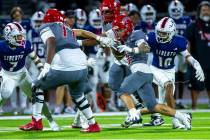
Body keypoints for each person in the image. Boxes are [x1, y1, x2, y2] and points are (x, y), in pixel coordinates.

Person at [19, 9, 114, 132]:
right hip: (83, 65)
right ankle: (93, 124)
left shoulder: (47, 27)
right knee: (79, 96)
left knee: (36, 86)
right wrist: (99, 38)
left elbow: (51, 42)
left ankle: (36, 121)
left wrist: (47, 65)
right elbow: (83, 33)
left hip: (66, 66)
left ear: (47, 19)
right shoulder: (68, 29)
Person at [111, 14, 192, 130]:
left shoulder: (136, 34)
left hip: (141, 71)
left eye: (119, 30)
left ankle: (133, 114)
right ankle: (183, 117)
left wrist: (131, 49)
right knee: (154, 106)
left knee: (122, 91)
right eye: (117, 30)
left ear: (127, 28)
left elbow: (145, 48)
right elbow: (122, 56)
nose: (117, 32)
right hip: (143, 72)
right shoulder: (123, 39)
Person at [0, 22, 59, 131]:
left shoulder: (25, 44)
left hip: (22, 74)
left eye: (22, 36)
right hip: (8, 75)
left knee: (36, 93)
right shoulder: (1, 46)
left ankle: (39, 121)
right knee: (5, 93)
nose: (21, 39)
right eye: (18, 36)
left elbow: (35, 58)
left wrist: (42, 69)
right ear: (9, 37)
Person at [184, 1, 210, 109]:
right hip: (197, 61)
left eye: (208, 10)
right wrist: (187, 56)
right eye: (203, 10)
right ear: (199, 11)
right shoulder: (193, 25)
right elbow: (187, 41)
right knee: (195, 86)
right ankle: (194, 106)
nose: (206, 12)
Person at [168, 0, 192, 109]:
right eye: (174, 10)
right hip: (171, 53)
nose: (176, 11)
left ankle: (180, 100)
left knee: (181, 76)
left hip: (183, 52)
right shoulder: (168, 20)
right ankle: (172, 100)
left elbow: (190, 37)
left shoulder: (187, 20)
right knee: (173, 77)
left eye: (178, 9)